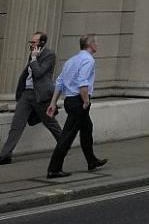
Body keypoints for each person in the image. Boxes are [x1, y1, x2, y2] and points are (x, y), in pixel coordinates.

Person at [45, 34, 107, 179]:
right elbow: (82, 82)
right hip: (79, 101)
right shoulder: (88, 60)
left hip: (70, 101)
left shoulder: (71, 60)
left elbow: (59, 82)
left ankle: (91, 161)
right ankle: (54, 169)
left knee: (87, 128)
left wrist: (53, 103)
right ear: (90, 44)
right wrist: (86, 101)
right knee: (67, 135)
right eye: (96, 43)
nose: (97, 45)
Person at [0, 31, 62, 165]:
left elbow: (39, 73)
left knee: (51, 124)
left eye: (34, 42)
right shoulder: (32, 54)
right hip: (27, 94)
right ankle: (5, 155)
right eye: (31, 42)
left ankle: (64, 145)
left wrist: (34, 59)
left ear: (42, 43)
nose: (31, 44)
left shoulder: (49, 55)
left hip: (40, 95)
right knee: (17, 125)